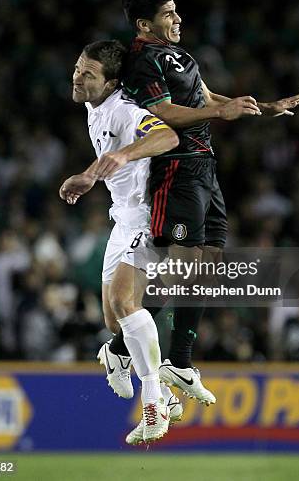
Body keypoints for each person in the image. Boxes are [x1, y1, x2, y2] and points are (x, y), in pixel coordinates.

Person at [118, 0, 299, 405]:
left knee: (206, 268)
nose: (178, 19)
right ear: (144, 24)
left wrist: (264, 107)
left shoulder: (182, 56)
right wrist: (220, 113)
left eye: (176, 10)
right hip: (177, 168)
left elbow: (203, 97)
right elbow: (163, 112)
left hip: (206, 170)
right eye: (168, 13)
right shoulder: (142, 61)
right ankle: (145, 354)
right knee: (182, 271)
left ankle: (164, 359)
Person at [60, 39, 180, 443]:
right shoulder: (93, 110)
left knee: (127, 304)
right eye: (78, 67)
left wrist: (125, 156)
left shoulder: (126, 110)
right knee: (115, 322)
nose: (77, 77)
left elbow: (167, 137)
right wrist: (92, 175)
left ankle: (154, 402)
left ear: (111, 82)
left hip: (146, 217)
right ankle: (117, 355)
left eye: (88, 74)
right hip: (121, 219)